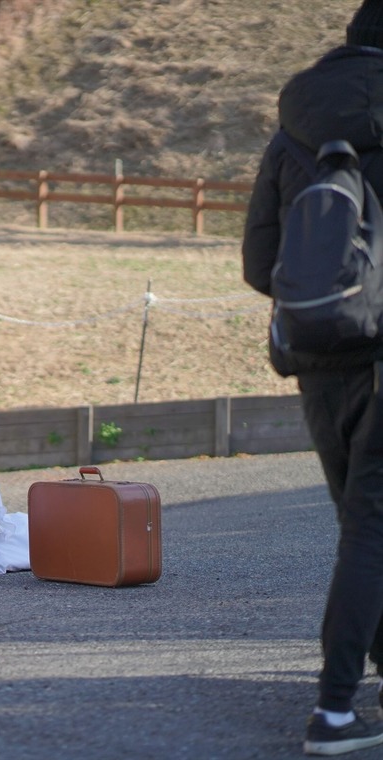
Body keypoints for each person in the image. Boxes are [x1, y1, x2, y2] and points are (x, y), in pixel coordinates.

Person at [242, 1, 383, 754]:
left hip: (318, 357)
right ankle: (333, 711)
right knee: (374, 528)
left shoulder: (295, 128)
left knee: (362, 526)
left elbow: (259, 262)